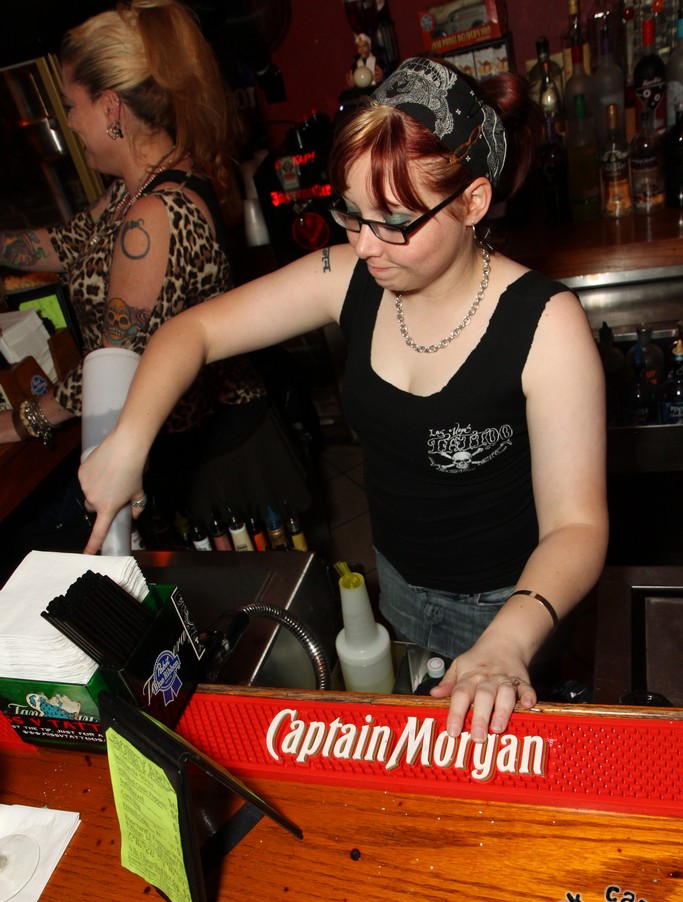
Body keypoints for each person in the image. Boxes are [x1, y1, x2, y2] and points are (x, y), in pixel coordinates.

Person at [79, 56, 608, 740]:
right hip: (398, 579)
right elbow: (192, 331)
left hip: (512, 602)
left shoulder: (546, 325)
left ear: (473, 202)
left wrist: (508, 640)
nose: (364, 245)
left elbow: (576, 527)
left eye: (394, 220)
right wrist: (128, 440)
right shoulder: (346, 274)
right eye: (352, 214)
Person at [0, 0, 310, 544]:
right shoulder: (142, 184)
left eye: (71, 105)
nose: (69, 122)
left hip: (216, 457)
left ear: (110, 106)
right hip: (193, 445)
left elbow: (115, 364)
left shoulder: (151, 215)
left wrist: (26, 419)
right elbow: (66, 244)